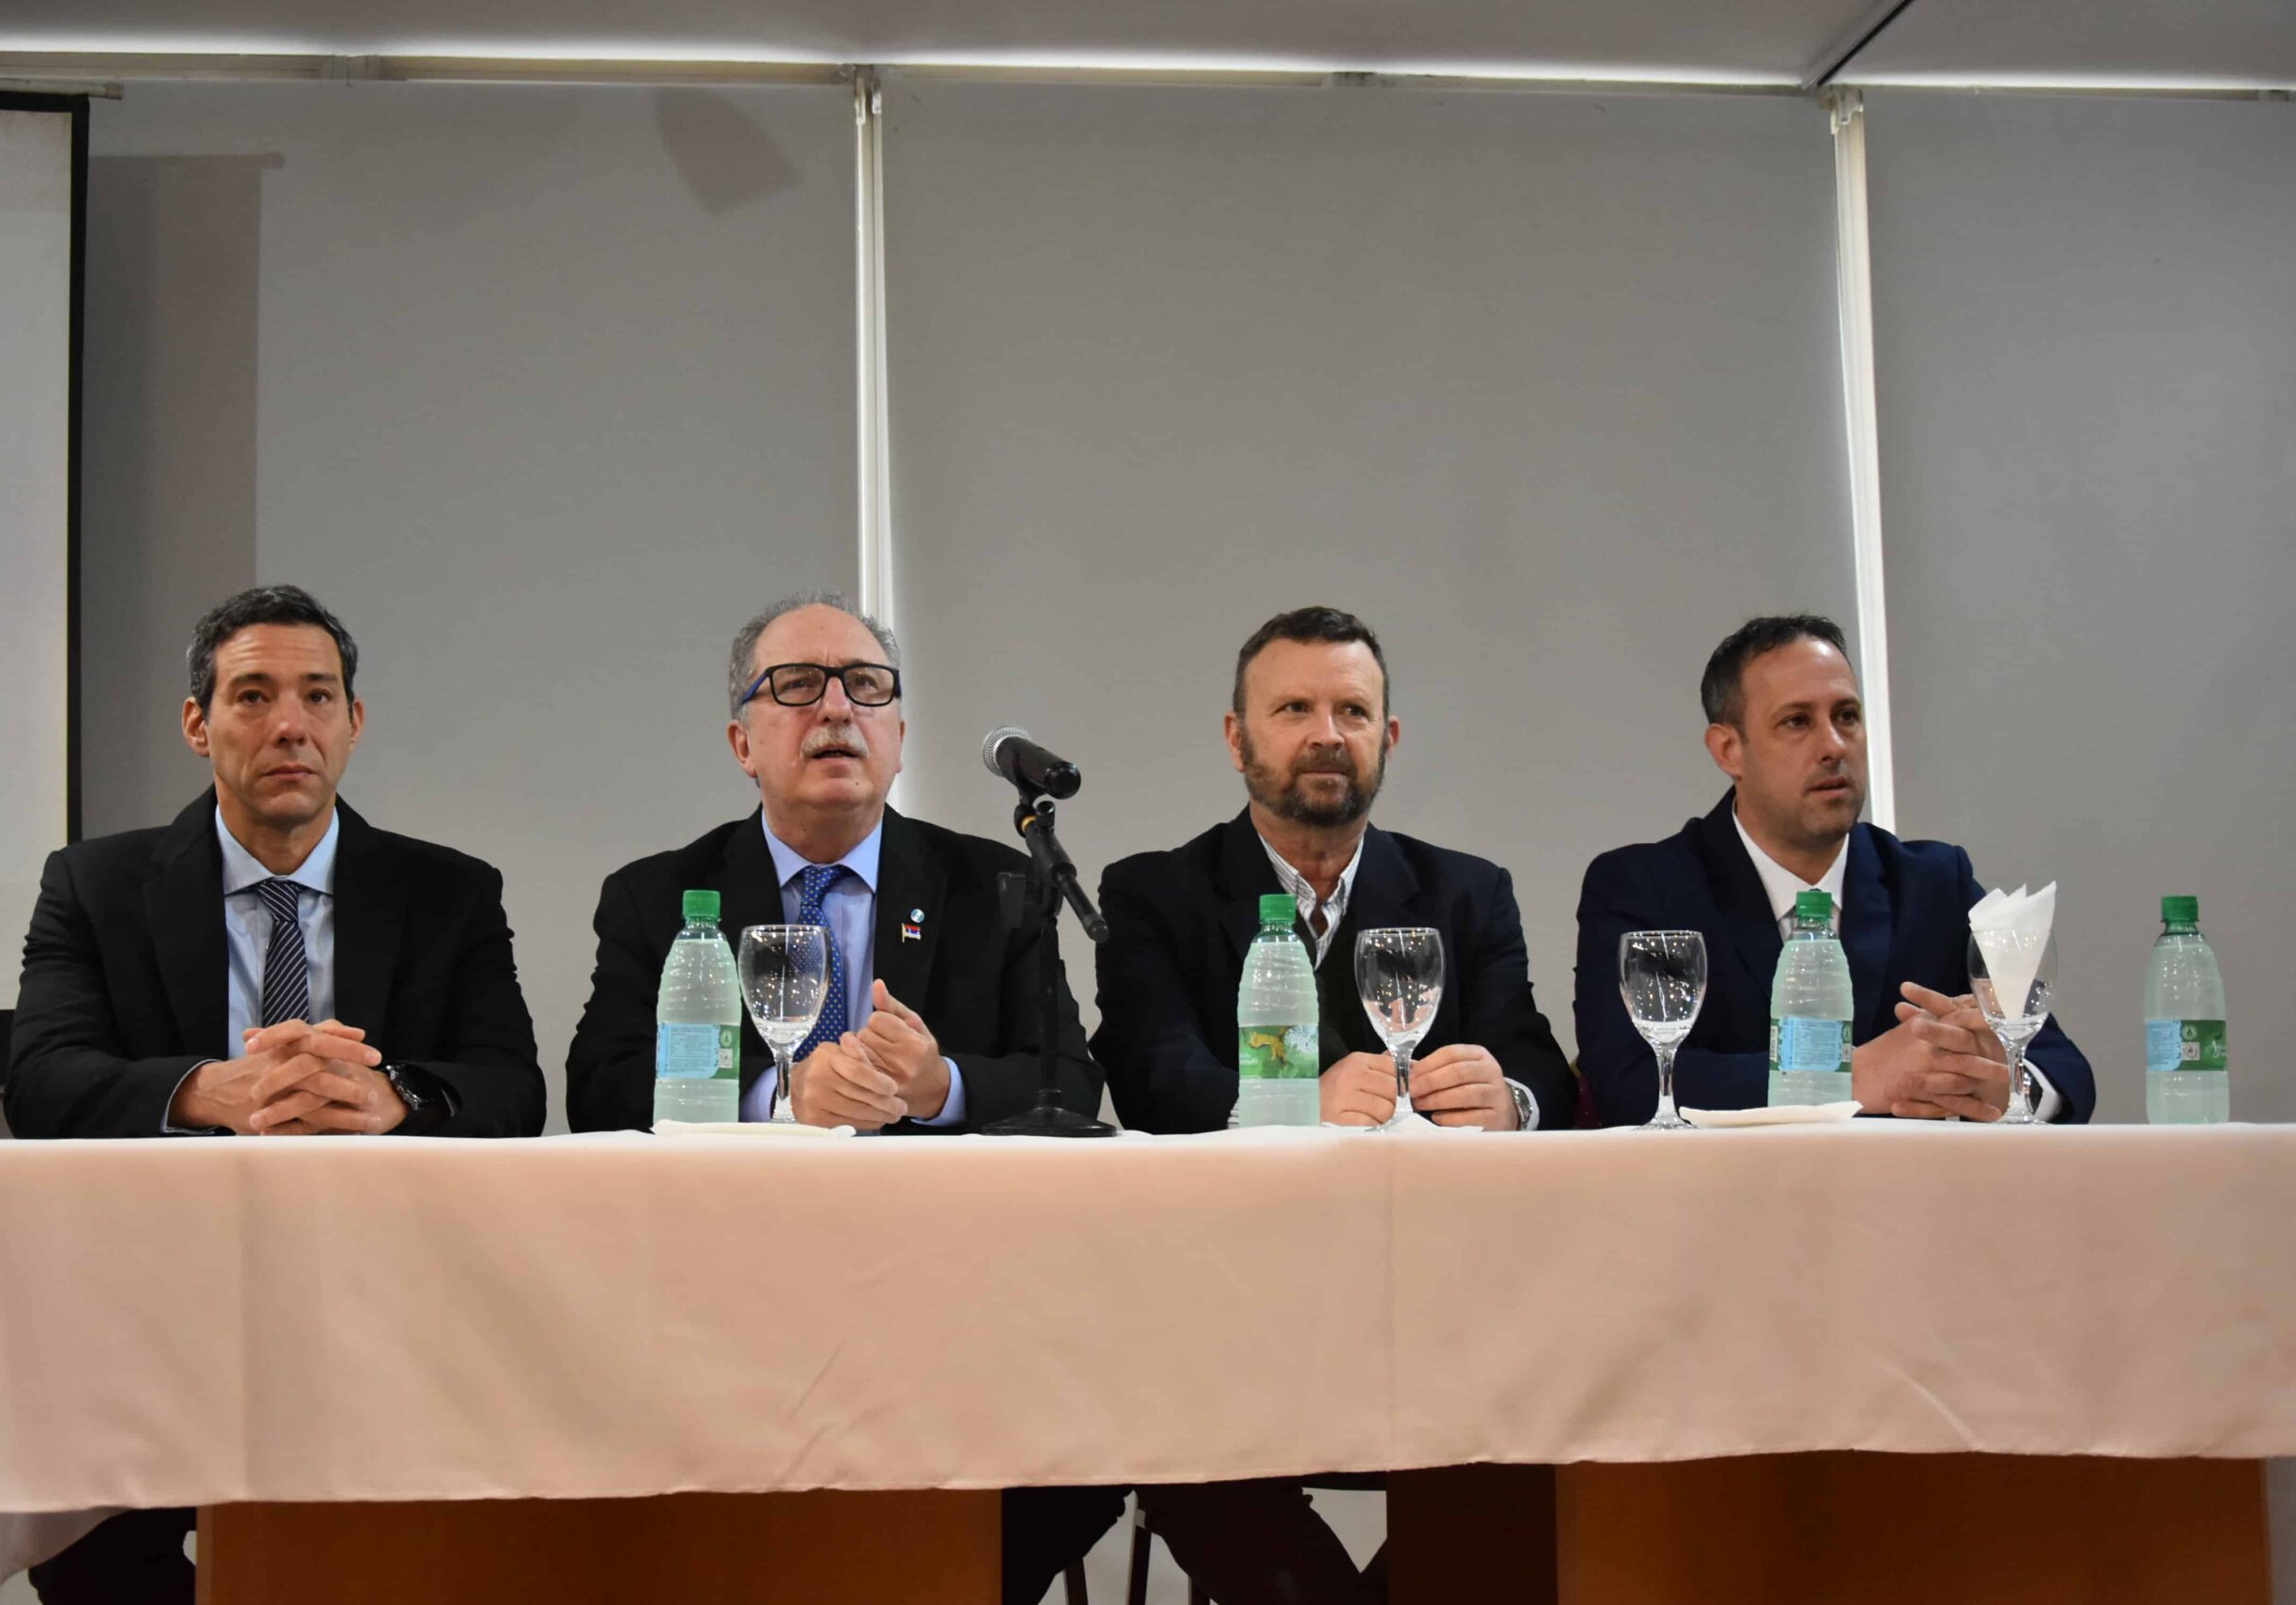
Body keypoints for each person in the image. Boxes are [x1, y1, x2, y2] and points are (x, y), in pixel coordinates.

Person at [563, 591, 1116, 1601]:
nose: (835, 708)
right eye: (795, 686)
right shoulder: (657, 895)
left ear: (898, 736)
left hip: (951, 1303)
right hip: (722, 1305)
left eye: (865, 686)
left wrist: (938, 1085)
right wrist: (781, 1102)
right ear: (742, 742)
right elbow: (601, 1089)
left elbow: (1071, 1082)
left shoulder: (992, 883)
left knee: (1094, 1441)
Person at [6, 584, 545, 1601]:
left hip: (387, 1309)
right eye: (253, 696)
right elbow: (40, 1083)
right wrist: (210, 1090)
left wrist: (394, 1099)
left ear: (354, 721)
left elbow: (513, 1089)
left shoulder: (449, 890)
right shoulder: (95, 884)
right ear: (197, 723)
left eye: (317, 696)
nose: (290, 724)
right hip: (150, 1310)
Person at [1090, 604, 1575, 1605]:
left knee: (1538, 1435)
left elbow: (1538, 1062)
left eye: (1351, 711)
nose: (1325, 734)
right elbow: (1149, 1072)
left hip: (1439, 1310)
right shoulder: (1156, 893)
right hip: (1223, 1317)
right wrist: (1289, 1103)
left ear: (1386, 737)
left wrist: (1510, 1100)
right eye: (1293, 710)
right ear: (1238, 738)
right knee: (1182, 1438)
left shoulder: (1467, 892)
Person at [1574, 613, 2094, 1126]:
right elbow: (1629, 1085)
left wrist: (2002, 1082)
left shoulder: (1934, 883)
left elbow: (2064, 1072)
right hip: (1723, 1183)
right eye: (1797, 722)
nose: (1833, 746)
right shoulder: (1645, 887)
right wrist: (1853, 1078)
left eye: (1846, 716)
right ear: (1728, 749)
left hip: (1907, 1182)